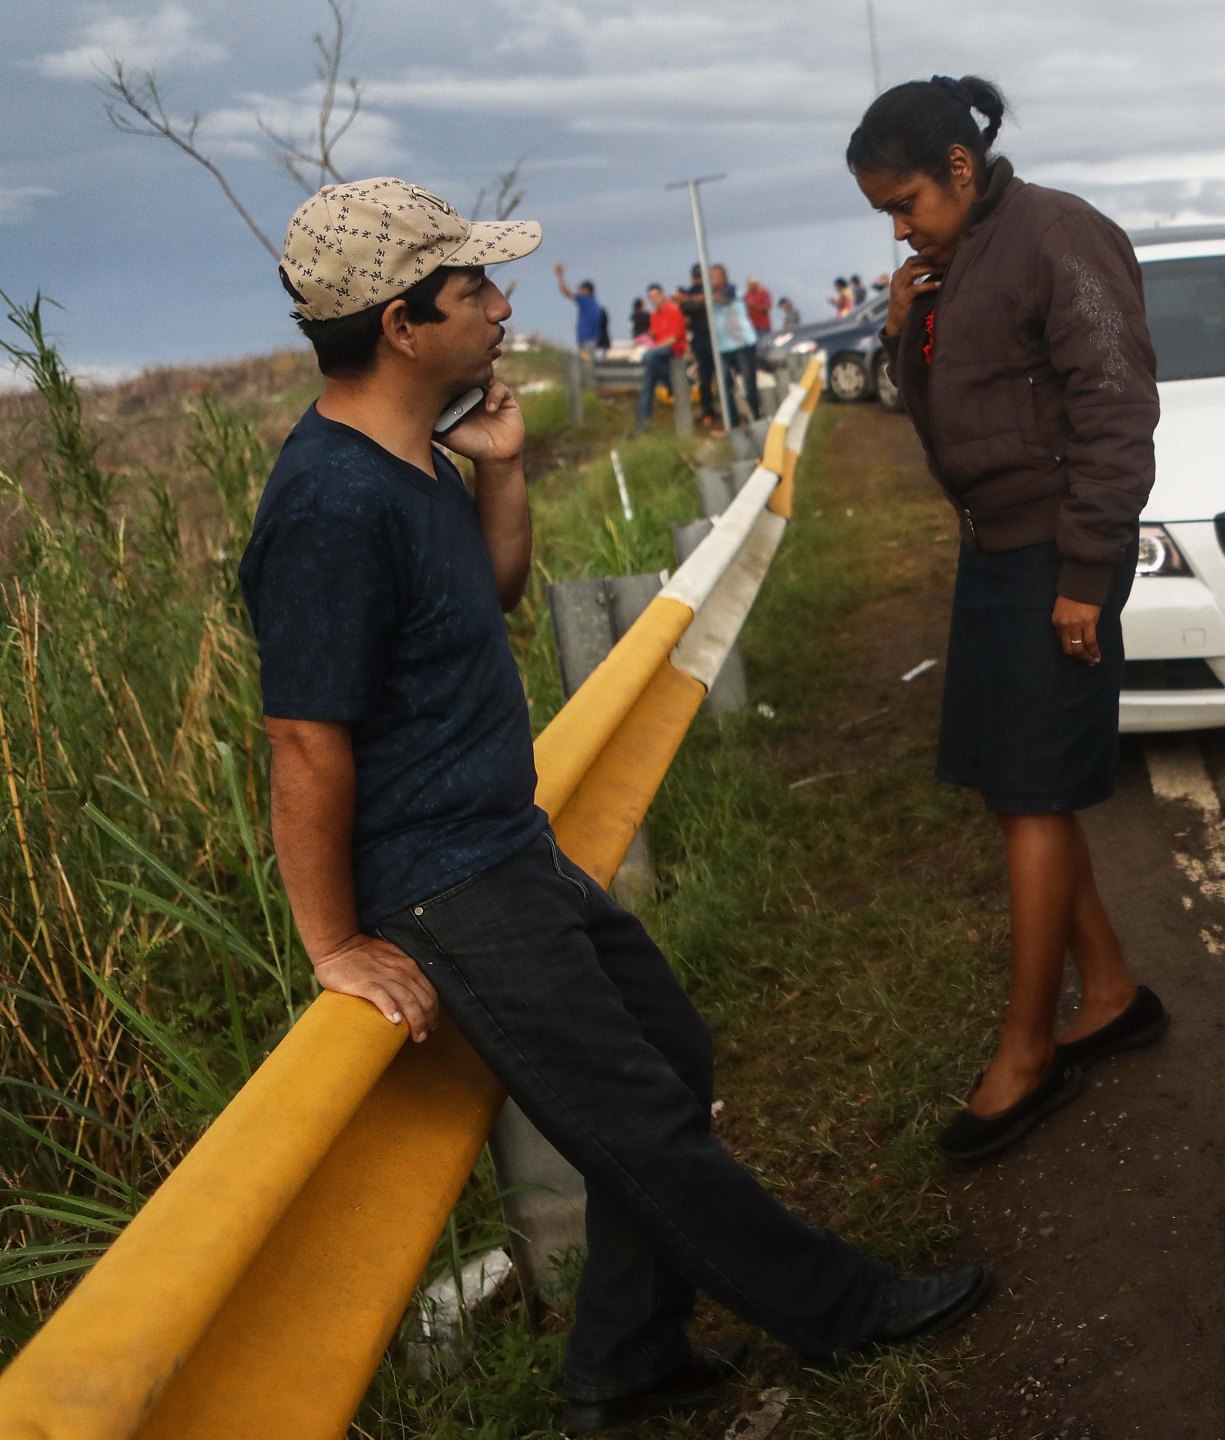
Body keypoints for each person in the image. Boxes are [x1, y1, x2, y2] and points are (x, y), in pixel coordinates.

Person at [245, 178, 987, 1434]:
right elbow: (304, 744)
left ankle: (624, 1361)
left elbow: (489, 594)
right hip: (446, 883)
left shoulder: (411, 460)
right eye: (473, 287)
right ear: (401, 324)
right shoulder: (327, 504)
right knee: (643, 1121)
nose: (501, 300)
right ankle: (837, 1305)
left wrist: (501, 468)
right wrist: (334, 943)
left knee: (673, 1059)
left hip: (502, 847)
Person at [850, 76, 1166, 1161]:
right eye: (882, 214)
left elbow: (1117, 411)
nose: (898, 228)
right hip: (992, 552)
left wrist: (1086, 574)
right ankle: (1112, 992)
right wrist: (904, 328)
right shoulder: (953, 264)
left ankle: (1028, 1054)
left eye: (905, 203)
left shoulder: (1056, 235)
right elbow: (942, 409)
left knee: (1035, 797)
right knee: (1010, 787)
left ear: (958, 167)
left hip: (1053, 558)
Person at [635, 282, 688, 433]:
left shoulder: (673, 311)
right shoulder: (654, 316)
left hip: (673, 350)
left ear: (662, 295)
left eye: (655, 296)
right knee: (647, 384)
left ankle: (668, 383)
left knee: (649, 357)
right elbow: (654, 335)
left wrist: (654, 348)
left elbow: (674, 338)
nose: (653, 300)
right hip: (658, 354)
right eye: (650, 298)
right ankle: (642, 425)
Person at [676, 264, 722, 432]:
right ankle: (724, 411)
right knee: (721, 376)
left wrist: (686, 301)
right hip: (715, 338)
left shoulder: (688, 294)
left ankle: (708, 412)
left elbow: (686, 309)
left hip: (700, 339)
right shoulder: (711, 291)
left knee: (705, 378)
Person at [714, 277, 762, 421]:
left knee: (748, 383)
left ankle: (756, 416)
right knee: (725, 387)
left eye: (716, 275)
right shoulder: (707, 296)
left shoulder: (733, 289)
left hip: (742, 343)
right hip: (722, 347)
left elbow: (722, 297)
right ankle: (733, 422)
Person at [553, 262, 608, 356]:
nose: (579, 291)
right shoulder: (593, 302)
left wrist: (560, 276)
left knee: (586, 363)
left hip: (586, 339)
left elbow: (566, 292)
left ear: (587, 291)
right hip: (591, 339)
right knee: (588, 361)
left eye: (581, 289)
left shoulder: (585, 300)